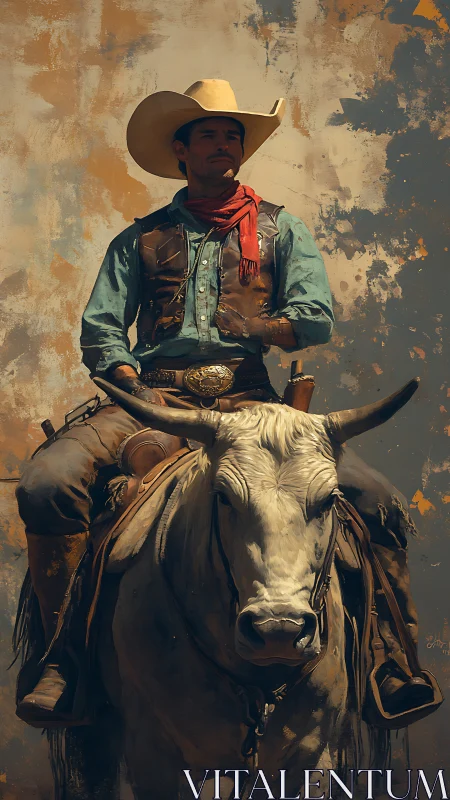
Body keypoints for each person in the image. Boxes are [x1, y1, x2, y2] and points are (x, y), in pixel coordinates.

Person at [15, 79, 432, 724]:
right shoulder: (141, 239)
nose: (223, 145)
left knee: (372, 499)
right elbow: (101, 329)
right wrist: (133, 384)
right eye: (208, 134)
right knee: (47, 484)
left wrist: (262, 331)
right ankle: (62, 661)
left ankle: (387, 661)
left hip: (251, 401)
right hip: (150, 400)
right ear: (181, 152)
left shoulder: (282, 230)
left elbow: (315, 317)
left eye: (232, 135)